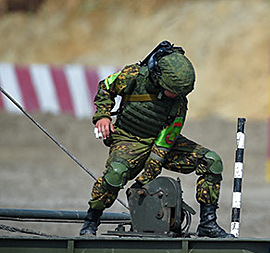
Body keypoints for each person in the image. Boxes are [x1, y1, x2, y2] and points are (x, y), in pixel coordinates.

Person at [80, 41, 232, 238]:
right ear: (159, 78)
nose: (177, 96)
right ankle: (91, 222)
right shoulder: (134, 76)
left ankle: (208, 224)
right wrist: (102, 116)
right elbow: (105, 87)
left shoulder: (178, 102)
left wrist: (143, 181)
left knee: (211, 161)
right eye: (174, 91)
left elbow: (163, 146)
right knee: (115, 174)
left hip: (160, 143)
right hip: (129, 138)